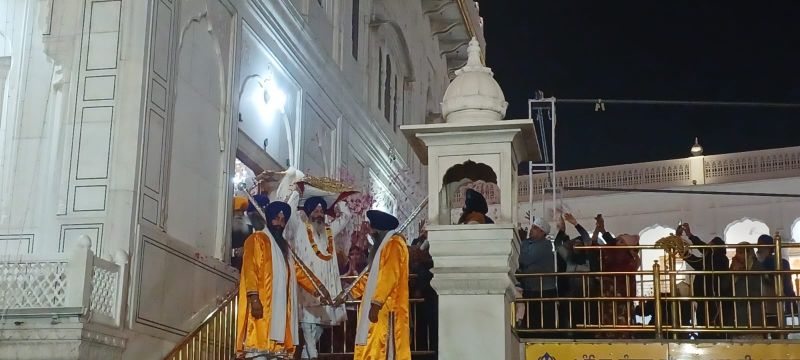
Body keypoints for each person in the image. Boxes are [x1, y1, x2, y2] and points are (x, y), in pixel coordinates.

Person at [235, 200, 330, 359]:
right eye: (276, 218)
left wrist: (319, 288)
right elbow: (250, 270)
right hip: (262, 307)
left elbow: (300, 272)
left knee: (278, 353)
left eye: (283, 219)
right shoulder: (257, 239)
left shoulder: (285, 248)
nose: (280, 223)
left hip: (281, 309)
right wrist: (254, 298)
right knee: (258, 352)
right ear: (269, 219)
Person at [284, 187, 353, 360]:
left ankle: (308, 355)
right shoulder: (300, 227)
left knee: (321, 325)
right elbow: (290, 212)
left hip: (327, 286)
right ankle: (313, 354)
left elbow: (346, 217)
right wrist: (296, 193)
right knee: (307, 321)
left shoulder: (329, 231)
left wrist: (340, 200)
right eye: (316, 209)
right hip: (307, 285)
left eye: (322, 210)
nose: (319, 213)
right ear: (309, 212)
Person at [339, 209, 410, 360]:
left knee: (385, 350)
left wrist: (376, 303)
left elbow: (388, 276)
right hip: (378, 309)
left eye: (372, 232)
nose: (370, 235)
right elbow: (370, 278)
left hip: (388, 310)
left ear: (379, 231)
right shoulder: (383, 247)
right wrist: (348, 294)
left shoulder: (394, 244)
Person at [679, 223, 730, 338]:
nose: (707, 248)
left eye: (710, 246)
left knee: (709, 325)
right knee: (704, 324)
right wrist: (690, 236)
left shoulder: (718, 259)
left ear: (715, 248)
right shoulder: (715, 257)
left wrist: (683, 252)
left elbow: (697, 263)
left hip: (711, 298)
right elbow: (702, 248)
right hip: (706, 297)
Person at [517, 216, 557, 336]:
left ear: (542, 232)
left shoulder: (545, 245)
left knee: (544, 323)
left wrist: (521, 242)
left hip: (544, 290)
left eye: (534, 228)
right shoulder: (527, 243)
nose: (531, 230)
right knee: (532, 321)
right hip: (531, 289)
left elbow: (524, 259)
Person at [755, 234, 797, 339]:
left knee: (768, 336)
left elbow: (786, 286)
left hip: (768, 305)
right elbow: (788, 288)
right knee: (778, 335)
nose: (758, 248)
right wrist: (792, 305)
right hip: (771, 306)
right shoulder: (782, 262)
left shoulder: (757, 263)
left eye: (761, 245)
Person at [232, 195, 255, 270]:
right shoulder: (224, 230)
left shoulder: (250, 230)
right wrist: (235, 252)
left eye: (242, 212)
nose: (240, 214)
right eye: (237, 211)